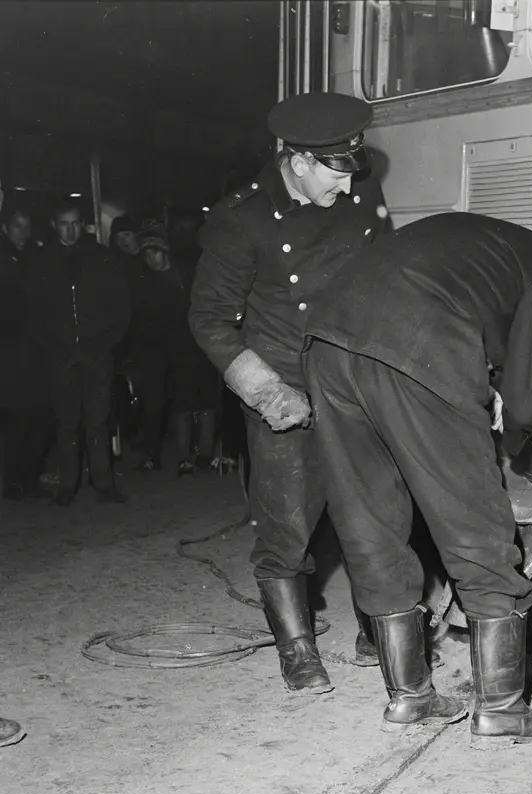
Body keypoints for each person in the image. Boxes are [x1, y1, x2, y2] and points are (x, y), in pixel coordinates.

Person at [303, 210, 532, 745]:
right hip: (416, 344)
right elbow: (529, 403)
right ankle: (503, 706)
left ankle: (410, 697)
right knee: (477, 526)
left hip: (327, 342)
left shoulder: (487, 247)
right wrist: (515, 438)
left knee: (369, 518)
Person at [189, 92, 389, 693]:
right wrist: (267, 392)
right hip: (285, 389)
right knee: (287, 528)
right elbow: (210, 319)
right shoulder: (241, 217)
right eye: (336, 168)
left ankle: (374, 628)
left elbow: (385, 282)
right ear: (298, 160)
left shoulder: (359, 194)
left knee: (376, 515)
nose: (348, 181)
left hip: (353, 381)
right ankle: (297, 651)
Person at [23, 197, 131, 505]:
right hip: (60, 355)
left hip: (97, 353)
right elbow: (34, 313)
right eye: (63, 224)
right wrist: (51, 346)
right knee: (66, 422)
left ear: (81, 225)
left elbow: (121, 306)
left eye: (74, 224)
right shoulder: (42, 261)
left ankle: (103, 484)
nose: (69, 232)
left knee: (98, 419)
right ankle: (66, 486)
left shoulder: (101, 257)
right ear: (54, 225)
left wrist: (108, 341)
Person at [133, 220, 220, 473]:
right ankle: (183, 456)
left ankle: (204, 453)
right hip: (167, 349)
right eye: (147, 253)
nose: (151, 258)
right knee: (181, 402)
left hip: (197, 344)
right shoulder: (146, 281)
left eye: (155, 251)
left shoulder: (186, 274)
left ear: (165, 250)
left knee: (206, 399)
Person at [0, 192, 51, 499]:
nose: (22, 230)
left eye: (26, 225)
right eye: (16, 225)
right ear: (6, 228)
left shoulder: (37, 258)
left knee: (40, 417)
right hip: (10, 350)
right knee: (17, 419)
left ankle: (30, 477)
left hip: (37, 350)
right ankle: (14, 482)